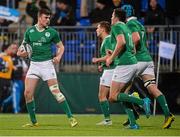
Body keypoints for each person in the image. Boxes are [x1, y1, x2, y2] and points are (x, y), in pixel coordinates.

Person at [17, 8, 78, 127]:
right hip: (34, 65)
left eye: (49, 17)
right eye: (46, 17)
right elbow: (21, 50)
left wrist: (59, 56)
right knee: (27, 93)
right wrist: (22, 53)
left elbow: (61, 47)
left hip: (47, 66)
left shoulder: (52, 32)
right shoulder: (29, 31)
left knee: (55, 92)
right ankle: (34, 122)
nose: (48, 20)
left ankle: (71, 118)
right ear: (39, 18)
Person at [121, 4, 175, 129]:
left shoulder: (129, 24)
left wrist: (130, 50)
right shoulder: (139, 23)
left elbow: (135, 38)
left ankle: (134, 114)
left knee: (121, 92)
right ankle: (168, 115)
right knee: (152, 88)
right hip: (147, 60)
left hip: (137, 60)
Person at [106, 8, 151, 129]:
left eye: (112, 15)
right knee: (122, 95)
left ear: (116, 17)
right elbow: (132, 47)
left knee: (112, 96)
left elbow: (121, 42)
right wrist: (115, 53)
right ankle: (133, 123)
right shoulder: (126, 27)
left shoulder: (116, 26)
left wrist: (111, 58)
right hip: (133, 62)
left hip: (124, 65)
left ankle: (142, 101)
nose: (111, 18)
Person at [92, 21, 115, 125]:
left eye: (98, 28)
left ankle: (107, 120)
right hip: (109, 69)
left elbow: (110, 56)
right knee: (116, 96)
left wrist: (97, 60)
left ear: (102, 29)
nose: (96, 30)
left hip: (111, 71)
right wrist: (103, 65)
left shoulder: (108, 40)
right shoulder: (107, 40)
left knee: (102, 96)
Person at [1, 43, 28, 113]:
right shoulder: (6, 56)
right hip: (13, 79)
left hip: (21, 80)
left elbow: (24, 67)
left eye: (16, 48)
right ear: (9, 49)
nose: (14, 49)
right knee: (16, 93)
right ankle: (17, 110)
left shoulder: (19, 57)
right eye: (12, 48)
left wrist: (25, 69)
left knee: (15, 95)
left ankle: (4, 103)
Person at [0, 44, 14, 109]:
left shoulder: (9, 57)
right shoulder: (2, 56)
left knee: (6, 94)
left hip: (8, 79)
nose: (11, 49)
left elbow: (10, 66)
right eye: (9, 48)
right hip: (2, 78)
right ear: (6, 49)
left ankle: (2, 106)